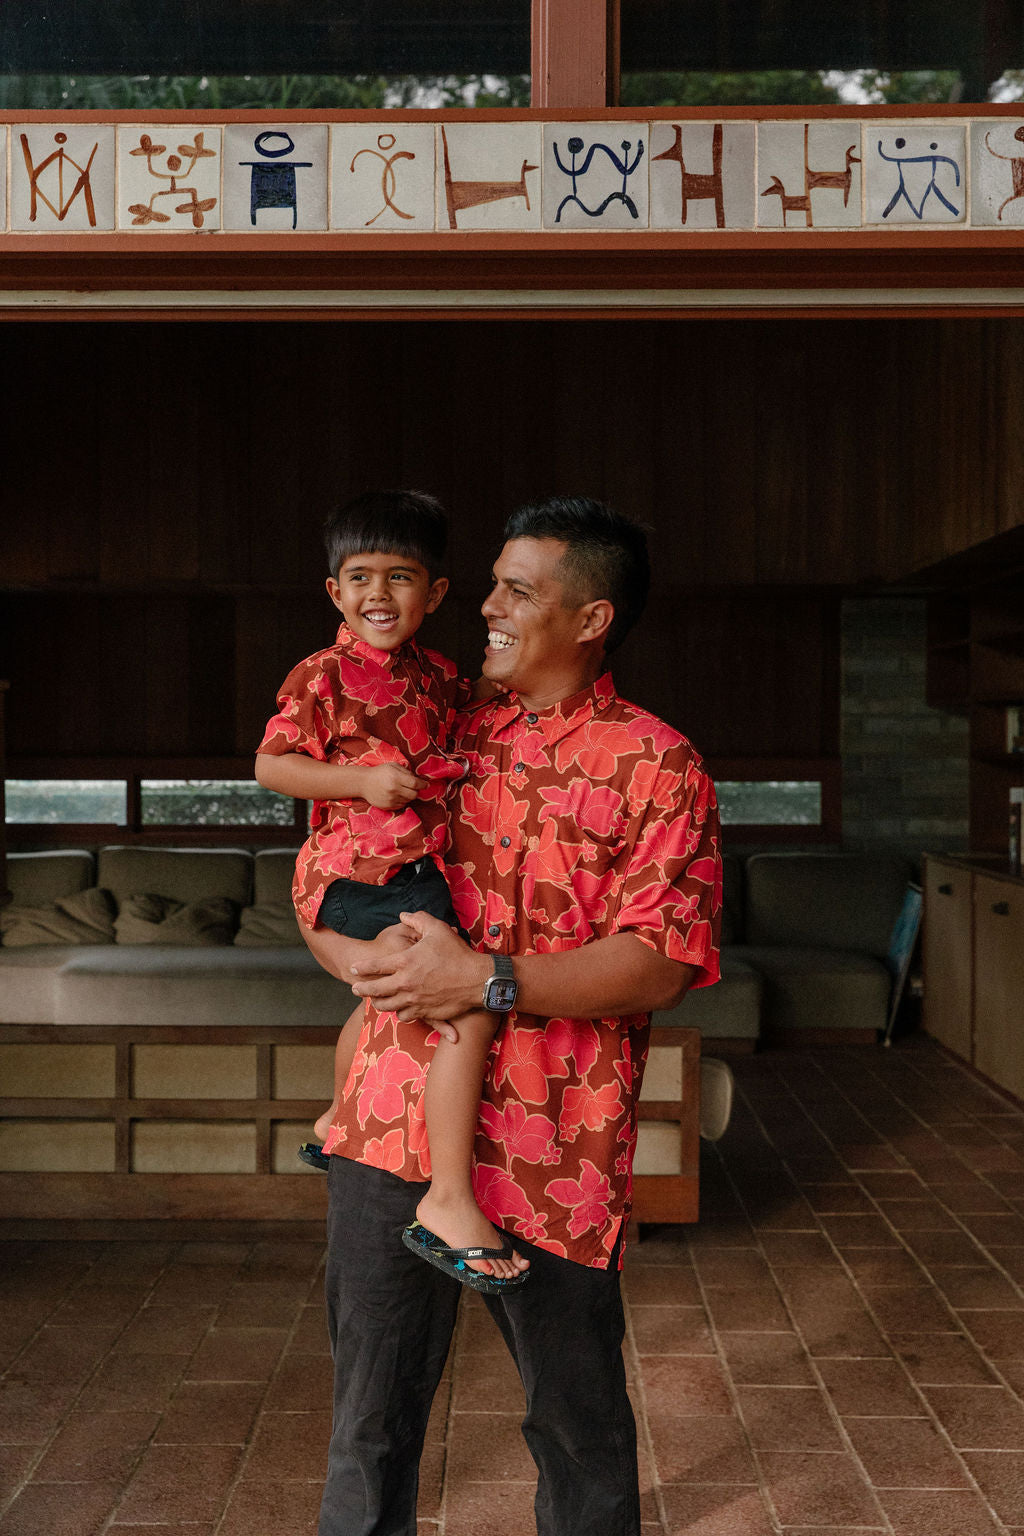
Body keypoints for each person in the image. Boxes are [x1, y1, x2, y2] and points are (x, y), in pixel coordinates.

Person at [306, 494, 722, 1536]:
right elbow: (318, 876)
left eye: (515, 590)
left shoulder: (657, 764)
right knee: (368, 1422)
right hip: (388, 1119)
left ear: (590, 618)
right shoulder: (434, 733)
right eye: (490, 582)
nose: (484, 604)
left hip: (557, 1142)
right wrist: (364, 963)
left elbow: (661, 960)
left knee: (577, 1427)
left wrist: (486, 981)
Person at [255, 489, 528, 1288]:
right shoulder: (322, 674)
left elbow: (471, 713)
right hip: (353, 873)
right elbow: (273, 766)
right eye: (360, 578)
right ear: (335, 592)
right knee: (469, 1004)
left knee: (380, 1002)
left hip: (413, 871)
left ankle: (339, 1115)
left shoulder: (438, 675)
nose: (379, 594)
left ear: (435, 594)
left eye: (400, 577)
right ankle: (448, 1198)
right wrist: (359, 779)